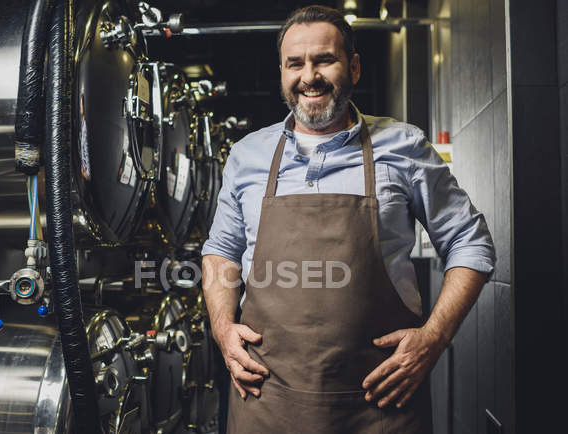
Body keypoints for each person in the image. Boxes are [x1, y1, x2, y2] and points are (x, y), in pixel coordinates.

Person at [201, 5, 495, 434]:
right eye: (295, 63)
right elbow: (220, 253)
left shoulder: (403, 145)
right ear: (282, 72)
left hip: (381, 403)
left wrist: (434, 338)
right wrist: (223, 328)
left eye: (324, 60)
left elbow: (472, 242)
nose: (309, 76)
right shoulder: (248, 155)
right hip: (266, 402)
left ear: (354, 67)